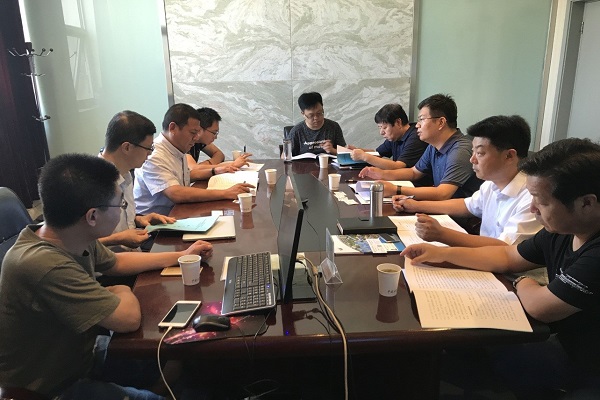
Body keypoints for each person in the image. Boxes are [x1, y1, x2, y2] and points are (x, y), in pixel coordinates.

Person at [0, 153, 214, 399]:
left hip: (80, 355)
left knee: (182, 360)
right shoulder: (45, 264)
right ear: (92, 216)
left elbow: (116, 262)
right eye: (120, 204)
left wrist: (182, 255)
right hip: (52, 387)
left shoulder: (68, 234)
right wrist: (119, 290)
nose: (124, 210)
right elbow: (128, 318)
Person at [400, 138, 600, 397]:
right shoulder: (561, 231)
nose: (532, 208)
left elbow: (540, 306)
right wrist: (441, 253)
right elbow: (507, 256)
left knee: (480, 361)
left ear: (586, 203)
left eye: (541, 201)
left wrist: (523, 282)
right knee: (463, 352)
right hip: (565, 341)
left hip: (585, 366)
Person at [392, 115, 542, 248]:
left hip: (504, 268)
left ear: (509, 156)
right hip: (483, 259)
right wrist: (415, 205)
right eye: (473, 151)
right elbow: (467, 205)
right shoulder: (491, 184)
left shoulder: (533, 198)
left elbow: (506, 248)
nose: (472, 159)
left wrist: (442, 234)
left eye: (480, 153)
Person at [134, 103, 254, 215]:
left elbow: (182, 177)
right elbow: (176, 193)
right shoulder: (155, 155)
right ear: (173, 128)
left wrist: (215, 171)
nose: (197, 138)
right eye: (193, 132)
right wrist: (226, 193)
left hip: (176, 213)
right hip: (154, 224)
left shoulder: (176, 147)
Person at [358, 94, 482, 200]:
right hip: (441, 209)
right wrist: (382, 174)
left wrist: (397, 190)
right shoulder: (434, 146)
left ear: (441, 122)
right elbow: (413, 172)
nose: (417, 125)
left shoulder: (460, 150)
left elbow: (442, 193)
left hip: (457, 217)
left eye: (422, 119)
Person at [99, 110, 176, 252]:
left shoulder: (126, 173)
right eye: (148, 148)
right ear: (127, 147)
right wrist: (118, 239)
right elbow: (73, 245)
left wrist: (139, 219)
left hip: (133, 254)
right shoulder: (90, 181)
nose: (150, 153)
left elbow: (119, 220)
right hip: (111, 263)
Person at [348, 103, 427, 170]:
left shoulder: (416, 137)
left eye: (385, 127)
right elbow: (377, 153)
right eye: (380, 128)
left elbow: (398, 166)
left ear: (398, 122)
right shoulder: (396, 136)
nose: (381, 132)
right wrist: (357, 150)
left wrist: (364, 156)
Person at [186, 107, 252, 176]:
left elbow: (219, 155)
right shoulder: (185, 142)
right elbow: (193, 169)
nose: (216, 137)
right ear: (200, 129)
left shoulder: (199, 141)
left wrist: (204, 165)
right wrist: (232, 164)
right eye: (214, 133)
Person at [286, 92, 346, 156]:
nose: (316, 118)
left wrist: (332, 150)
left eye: (319, 113)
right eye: (311, 115)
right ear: (303, 114)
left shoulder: (334, 127)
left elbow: (345, 153)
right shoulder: (296, 131)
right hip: (305, 163)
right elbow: (285, 156)